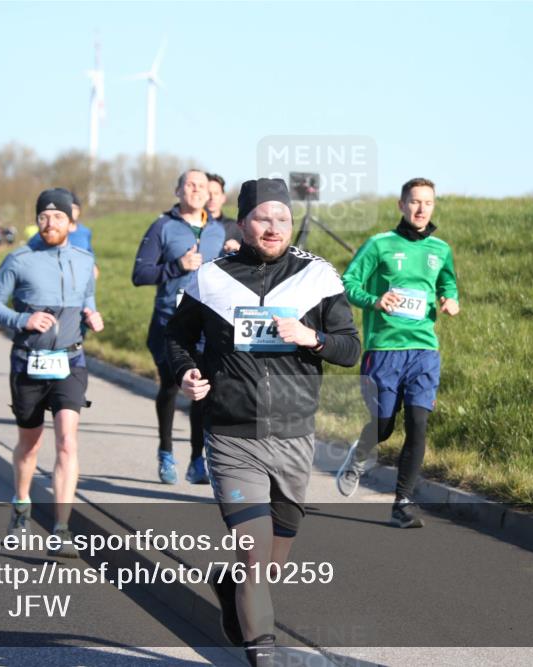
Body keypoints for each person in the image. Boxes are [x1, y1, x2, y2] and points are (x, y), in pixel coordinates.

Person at [166, 177, 360, 665]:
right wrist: (186, 372)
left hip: (294, 436)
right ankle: (263, 654)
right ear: (241, 222)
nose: (273, 227)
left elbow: (350, 348)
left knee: (270, 565)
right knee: (254, 555)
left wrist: (311, 337)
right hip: (232, 435)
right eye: (262, 218)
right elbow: (176, 337)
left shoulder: (318, 277)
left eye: (282, 219)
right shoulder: (211, 278)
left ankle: (230, 585)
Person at [0, 188, 103, 557]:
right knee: (30, 444)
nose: (50, 223)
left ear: (71, 222)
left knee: (67, 441)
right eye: (44, 217)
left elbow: (87, 298)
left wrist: (92, 315)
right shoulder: (19, 259)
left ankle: (61, 529)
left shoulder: (84, 260)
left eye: (58, 217)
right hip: (28, 362)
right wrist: (23, 319)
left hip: (71, 361)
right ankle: (21, 508)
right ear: (37, 220)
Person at [335, 177, 459, 528]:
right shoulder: (379, 244)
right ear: (401, 205)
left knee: (418, 424)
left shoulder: (440, 249)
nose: (421, 209)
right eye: (415, 202)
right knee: (384, 425)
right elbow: (347, 283)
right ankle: (360, 454)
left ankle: (402, 503)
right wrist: (375, 300)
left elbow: (447, 281)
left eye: (428, 203)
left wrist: (451, 298)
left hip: (424, 349)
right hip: (385, 349)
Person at [132, 169, 225, 485]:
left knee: (200, 390)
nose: (197, 190)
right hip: (168, 323)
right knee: (171, 386)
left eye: (202, 186)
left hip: (205, 326)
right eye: (190, 185)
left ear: (209, 194)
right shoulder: (163, 227)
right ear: (178, 191)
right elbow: (140, 274)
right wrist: (177, 266)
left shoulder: (218, 231)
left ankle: (197, 460)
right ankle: (166, 453)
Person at [207, 172, 243, 254]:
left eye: (216, 193)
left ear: (223, 198)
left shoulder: (235, 228)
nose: (212, 197)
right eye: (208, 193)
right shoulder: (192, 226)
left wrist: (238, 250)